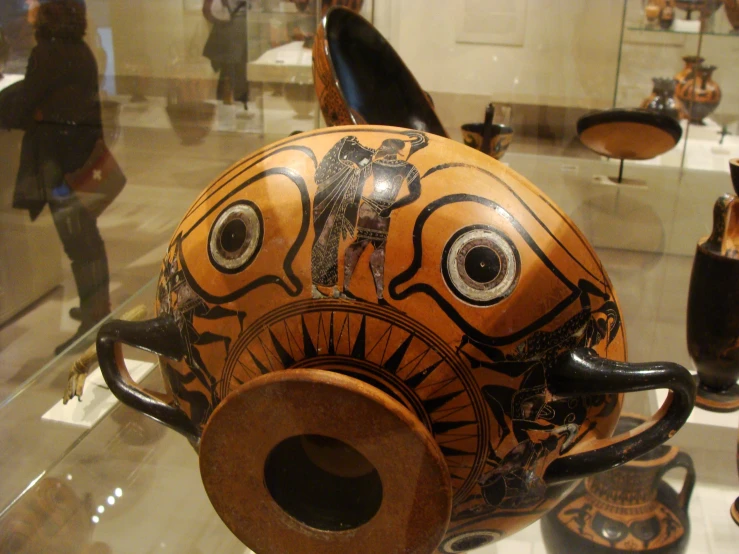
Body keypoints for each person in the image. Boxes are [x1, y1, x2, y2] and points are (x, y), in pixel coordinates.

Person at [2, 0, 111, 355]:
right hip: (78, 157)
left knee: (79, 242)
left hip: (61, 163)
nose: (30, 7)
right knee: (85, 238)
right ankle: (95, 307)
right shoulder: (79, 50)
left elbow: (22, 110)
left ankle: (94, 316)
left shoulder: (46, 53)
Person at [202, 0, 248, 107]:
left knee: (230, 71)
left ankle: (232, 109)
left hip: (232, 24)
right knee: (232, 72)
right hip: (234, 24)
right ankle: (235, 108)